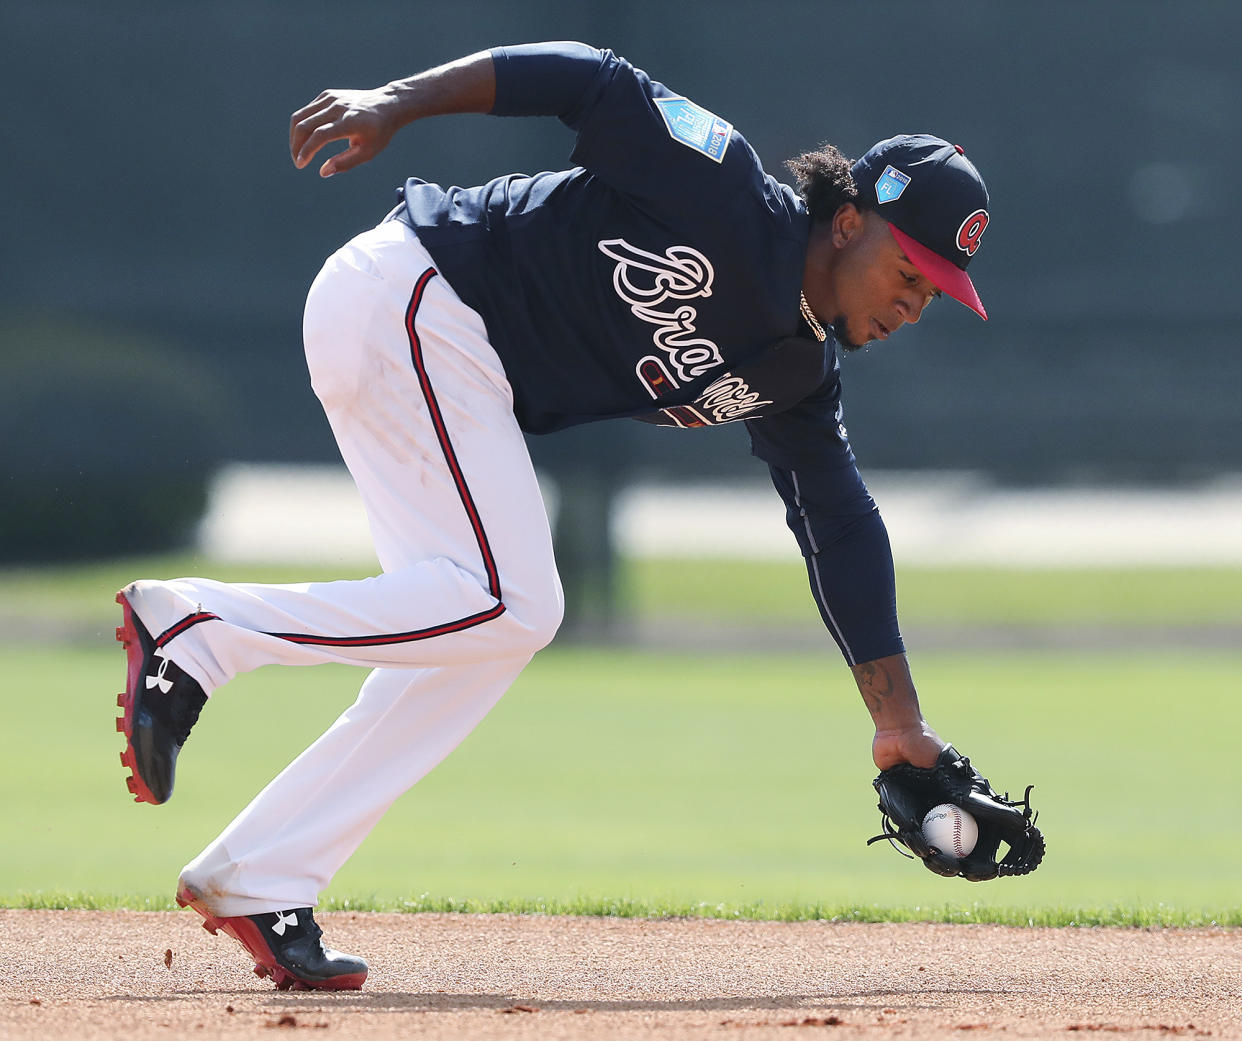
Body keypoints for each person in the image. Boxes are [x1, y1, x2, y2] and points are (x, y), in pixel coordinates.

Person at [113, 41, 992, 991]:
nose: (915, 303)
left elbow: (840, 524)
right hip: (416, 293)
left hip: (445, 359)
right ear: (850, 219)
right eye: (911, 272)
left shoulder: (796, 373)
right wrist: (395, 103)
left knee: (480, 629)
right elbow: (589, 78)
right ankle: (196, 631)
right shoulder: (724, 188)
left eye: (936, 293)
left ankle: (264, 871)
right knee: (514, 602)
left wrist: (898, 723)